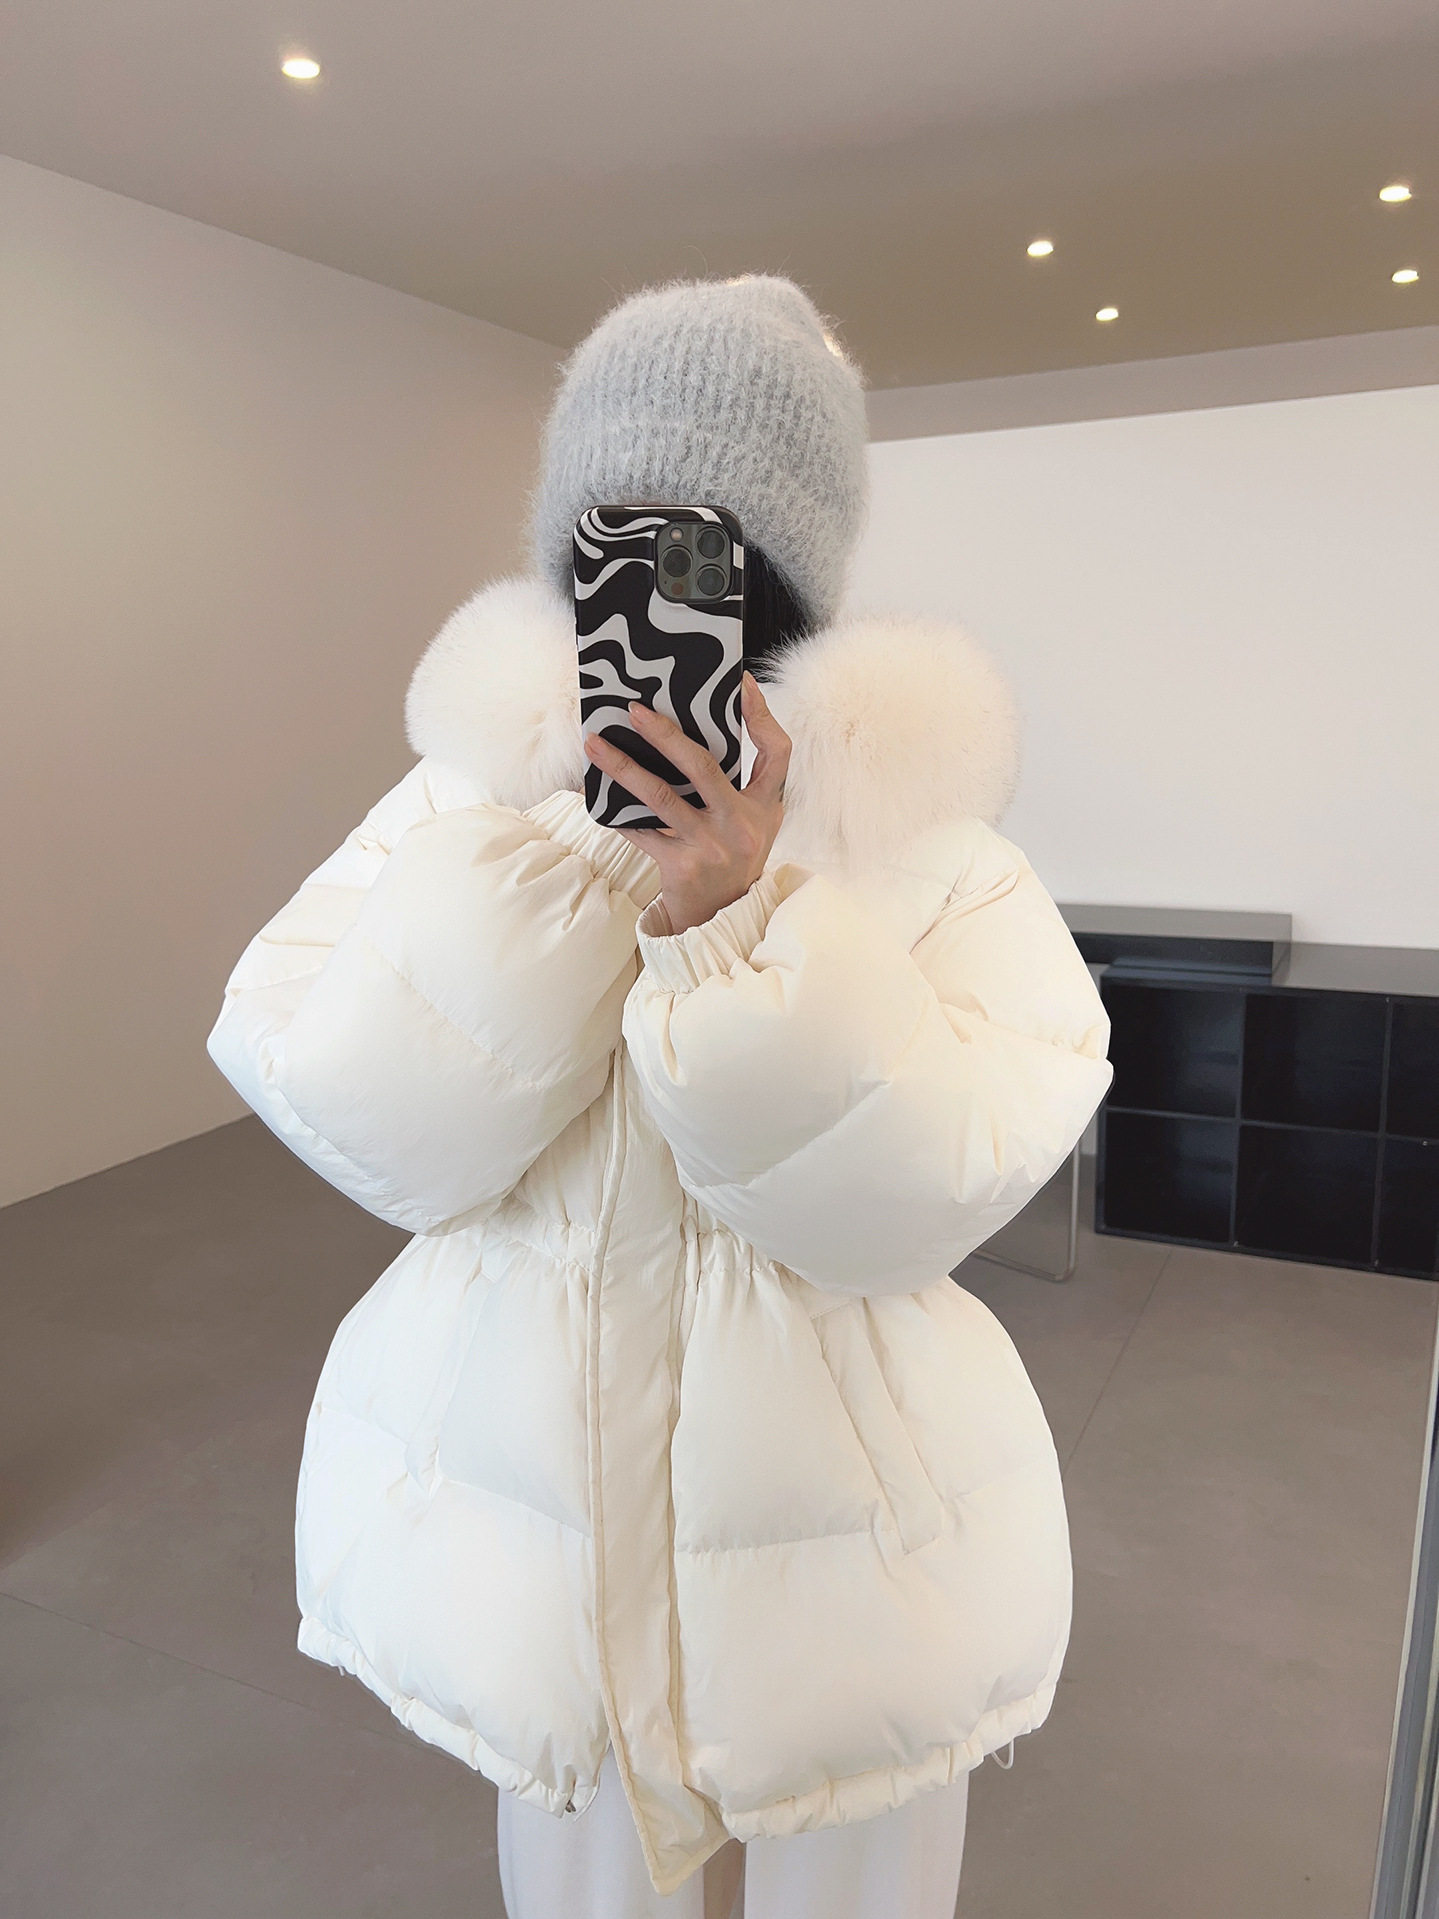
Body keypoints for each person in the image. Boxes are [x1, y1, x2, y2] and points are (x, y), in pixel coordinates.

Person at [206, 274, 1114, 1919]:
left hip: (847, 1552)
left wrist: (747, 927)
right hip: (535, 1528)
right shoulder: (471, 798)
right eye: (617, 546)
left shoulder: (924, 835)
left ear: (790, 582)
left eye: (715, 558)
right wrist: (573, 862)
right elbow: (356, 1108)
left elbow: (922, 1196)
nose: (659, 594)